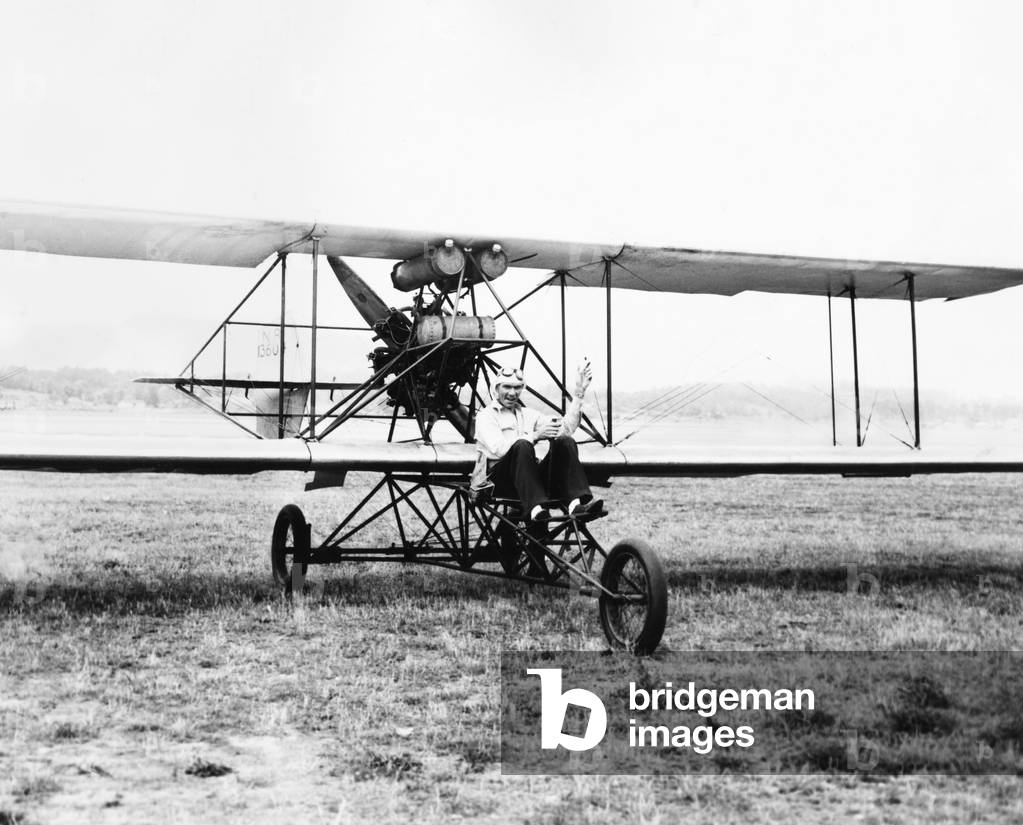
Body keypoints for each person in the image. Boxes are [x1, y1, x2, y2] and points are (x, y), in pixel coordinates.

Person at [471, 360, 603, 521]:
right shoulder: (486, 416)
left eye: (517, 387)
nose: (512, 393)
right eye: (507, 387)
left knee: (564, 441)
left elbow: (565, 428)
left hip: (528, 478)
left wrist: (579, 392)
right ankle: (535, 511)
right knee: (522, 445)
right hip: (499, 482)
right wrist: (534, 436)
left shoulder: (529, 414)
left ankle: (575, 505)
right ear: (496, 389)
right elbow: (499, 449)